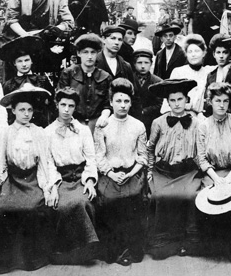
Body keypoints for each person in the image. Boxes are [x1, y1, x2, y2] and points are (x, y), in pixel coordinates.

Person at [0, 84, 60, 273]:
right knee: (4, 207)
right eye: (21, 110)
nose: (26, 114)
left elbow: (46, 161)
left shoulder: (39, 132)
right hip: (12, 180)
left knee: (33, 207)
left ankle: (32, 259)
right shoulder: (5, 133)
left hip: (33, 179)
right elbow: (0, 162)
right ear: (13, 111)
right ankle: (8, 260)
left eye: (29, 110)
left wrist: (49, 187)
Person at [146, 79, 203, 259]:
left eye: (180, 99)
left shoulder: (196, 123)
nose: (177, 104)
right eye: (173, 100)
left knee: (190, 196)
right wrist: (149, 170)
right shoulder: (158, 122)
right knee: (160, 196)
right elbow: (149, 149)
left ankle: (187, 242)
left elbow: (201, 151)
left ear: (187, 100)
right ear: (167, 102)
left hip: (188, 171)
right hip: (163, 171)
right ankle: (164, 243)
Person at [93, 79, 147, 265]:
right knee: (109, 200)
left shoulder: (138, 125)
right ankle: (114, 250)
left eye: (126, 101)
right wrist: (110, 173)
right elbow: (98, 155)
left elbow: (142, 156)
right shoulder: (103, 125)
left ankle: (132, 249)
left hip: (132, 172)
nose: (122, 105)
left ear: (131, 103)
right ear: (111, 102)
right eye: (118, 101)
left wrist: (132, 173)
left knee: (134, 198)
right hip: (110, 173)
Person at [196, 82, 231, 268]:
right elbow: (201, 159)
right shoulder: (202, 126)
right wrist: (217, 178)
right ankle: (216, 244)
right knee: (211, 198)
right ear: (210, 102)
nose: (221, 105)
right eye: (217, 100)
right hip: (212, 172)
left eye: (226, 101)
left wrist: (229, 177)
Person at [45, 88, 99, 262]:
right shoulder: (48, 132)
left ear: (75, 108)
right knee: (60, 205)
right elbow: (48, 163)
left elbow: (91, 158)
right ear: (57, 105)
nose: (66, 110)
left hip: (81, 176)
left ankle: (85, 251)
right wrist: (53, 187)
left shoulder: (83, 130)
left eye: (71, 106)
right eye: (63, 105)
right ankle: (65, 254)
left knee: (83, 202)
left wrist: (90, 181)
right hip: (61, 178)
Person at [57, 33, 113, 135]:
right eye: (85, 52)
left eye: (93, 52)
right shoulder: (68, 73)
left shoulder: (105, 77)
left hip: (96, 124)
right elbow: (60, 99)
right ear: (79, 53)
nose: (90, 56)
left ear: (98, 53)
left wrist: (104, 116)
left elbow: (108, 104)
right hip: (73, 122)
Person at [0, 36, 54, 127]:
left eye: (27, 60)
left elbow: (51, 103)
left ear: (32, 61)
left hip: (40, 125)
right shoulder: (8, 84)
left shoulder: (42, 80)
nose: (24, 64)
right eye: (19, 61)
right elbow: (6, 109)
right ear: (14, 63)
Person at [161, 34, 216, 115]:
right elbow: (169, 99)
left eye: (197, 51)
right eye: (190, 51)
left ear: (204, 53)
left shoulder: (209, 71)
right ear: (186, 54)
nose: (193, 55)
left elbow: (225, 65)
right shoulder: (178, 72)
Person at [96, 25, 138, 92]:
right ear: (103, 39)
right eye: (113, 38)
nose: (116, 43)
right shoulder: (94, 63)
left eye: (120, 40)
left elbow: (133, 93)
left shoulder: (126, 66)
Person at [132, 48, 163, 132]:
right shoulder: (129, 79)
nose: (143, 66)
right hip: (131, 119)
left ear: (151, 64)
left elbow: (160, 104)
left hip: (150, 121)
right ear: (134, 64)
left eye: (146, 63)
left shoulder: (157, 82)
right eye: (139, 63)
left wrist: (144, 111)